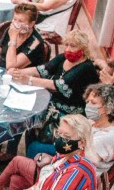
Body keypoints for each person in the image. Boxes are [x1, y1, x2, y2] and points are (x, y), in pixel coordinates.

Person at [9, 29, 100, 157]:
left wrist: (28, 80)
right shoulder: (63, 58)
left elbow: (58, 85)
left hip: (69, 115)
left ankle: (34, 158)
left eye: (73, 46)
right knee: (23, 118)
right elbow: (41, 70)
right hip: (51, 105)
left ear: (83, 48)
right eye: (66, 45)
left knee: (35, 137)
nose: (68, 49)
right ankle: (11, 153)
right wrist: (17, 72)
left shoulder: (86, 67)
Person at [82, 83, 114, 174]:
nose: (88, 106)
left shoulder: (106, 136)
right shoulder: (107, 122)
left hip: (85, 174)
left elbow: (81, 160)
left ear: (109, 109)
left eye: (93, 103)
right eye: (87, 102)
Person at [0, 3, 46, 70]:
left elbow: (11, 66)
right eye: (14, 19)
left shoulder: (35, 43)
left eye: (20, 21)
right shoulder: (10, 30)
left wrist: (13, 39)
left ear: (31, 24)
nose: (16, 24)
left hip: (17, 75)